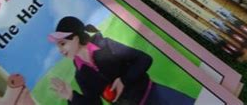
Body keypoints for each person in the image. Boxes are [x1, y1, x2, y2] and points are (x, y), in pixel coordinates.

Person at [47, 16, 195, 104]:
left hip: (156, 95)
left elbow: (144, 59)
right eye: (58, 46)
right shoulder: (81, 75)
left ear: (76, 37)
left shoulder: (106, 45)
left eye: (62, 43)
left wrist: (124, 80)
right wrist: (72, 96)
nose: (60, 50)